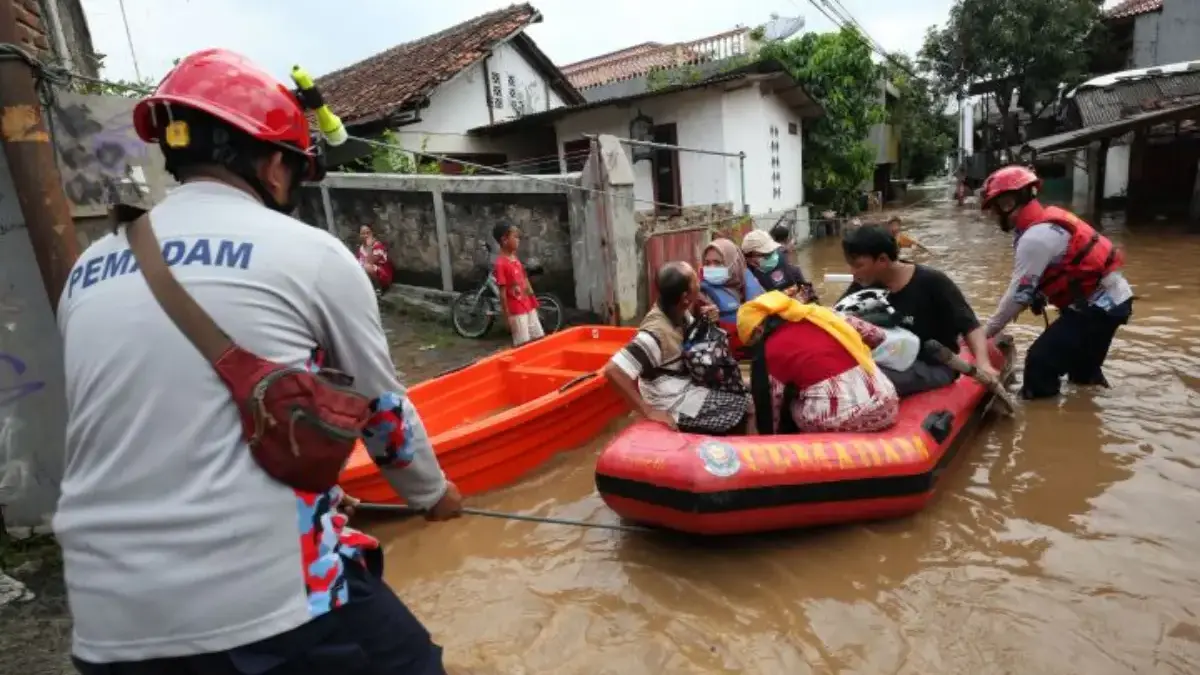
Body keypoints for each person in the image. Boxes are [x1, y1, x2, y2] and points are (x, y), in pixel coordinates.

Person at [55, 48, 461, 674]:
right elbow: (383, 415)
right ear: (274, 166)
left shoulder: (90, 265)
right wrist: (434, 495)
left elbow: (153, 416)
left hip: (105, 623)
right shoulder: (315, 254)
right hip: (262, 608)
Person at [978, 164, 1133, 399]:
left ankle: (1042, 420)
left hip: (1096, 308)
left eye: (994, 208)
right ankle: (1087, 417)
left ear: (1008, 203)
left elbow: (1017, 296)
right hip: (1115, 301)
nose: (993, 216)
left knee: (1040, 363)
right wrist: (1038, 294)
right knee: (1082, 375)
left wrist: (984, 334)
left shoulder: (1034, 238)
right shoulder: (1046, 221)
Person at [840, 224, 997, 396]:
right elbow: (837, 319)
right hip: (888, 359)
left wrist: (983, 363)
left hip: (933, 365)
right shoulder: (863, 287)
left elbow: (970, 326)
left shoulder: (933, 282)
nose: (853, 273)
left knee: (858, 380)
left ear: (883, 260)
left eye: (858, 266)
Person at [606, 262, 751, 436]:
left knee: (747, 386)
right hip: (674, 400)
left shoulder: (678, 311)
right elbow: (613, 371)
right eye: (696, 281)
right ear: (685, 297)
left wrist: (706, 321)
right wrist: (648, 411)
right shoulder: (655, 335)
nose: (700, 283)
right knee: (748, 406)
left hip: (686, 382)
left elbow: (694, 343)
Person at [738, 291, 899, 434]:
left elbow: (772, 407)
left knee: (793, 404)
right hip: (888, 403)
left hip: (849, 420)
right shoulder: (824, 315)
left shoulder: (772, 349)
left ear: (758, 330)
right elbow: (877, 336)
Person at [492, 222, 544, 347]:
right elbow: (503, 293)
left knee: (539, 338)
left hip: (528, 306)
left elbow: (525, 280)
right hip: (517, 311)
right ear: (504, 240)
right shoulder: (501, 264)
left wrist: (533, 301)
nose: (518, 240)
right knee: (523, 344)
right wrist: (507, 317)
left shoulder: (515, 259)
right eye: (514, 237)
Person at [699, 238, 765, 324]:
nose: (711, 268)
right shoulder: (702, 294)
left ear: (734, 263)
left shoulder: (750, 282)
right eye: (707, 263)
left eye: (717, 262)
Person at [741, 229, 817, 303]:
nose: (772, 256)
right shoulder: (742, 278)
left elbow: (808, 293)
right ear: (749, 256)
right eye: (766, 254)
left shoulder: (788, 267)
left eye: (773, 252)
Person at [357, 224, 394, 293]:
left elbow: (369, 262)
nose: (366, 235)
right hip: (369, 275)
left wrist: (369, 246)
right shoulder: (361, 248)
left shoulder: (377, 246)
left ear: (372, 233)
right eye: (363, 233)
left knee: (367, 267)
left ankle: (378, 288)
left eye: (368, 233)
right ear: (359, 235)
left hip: (383, 275)